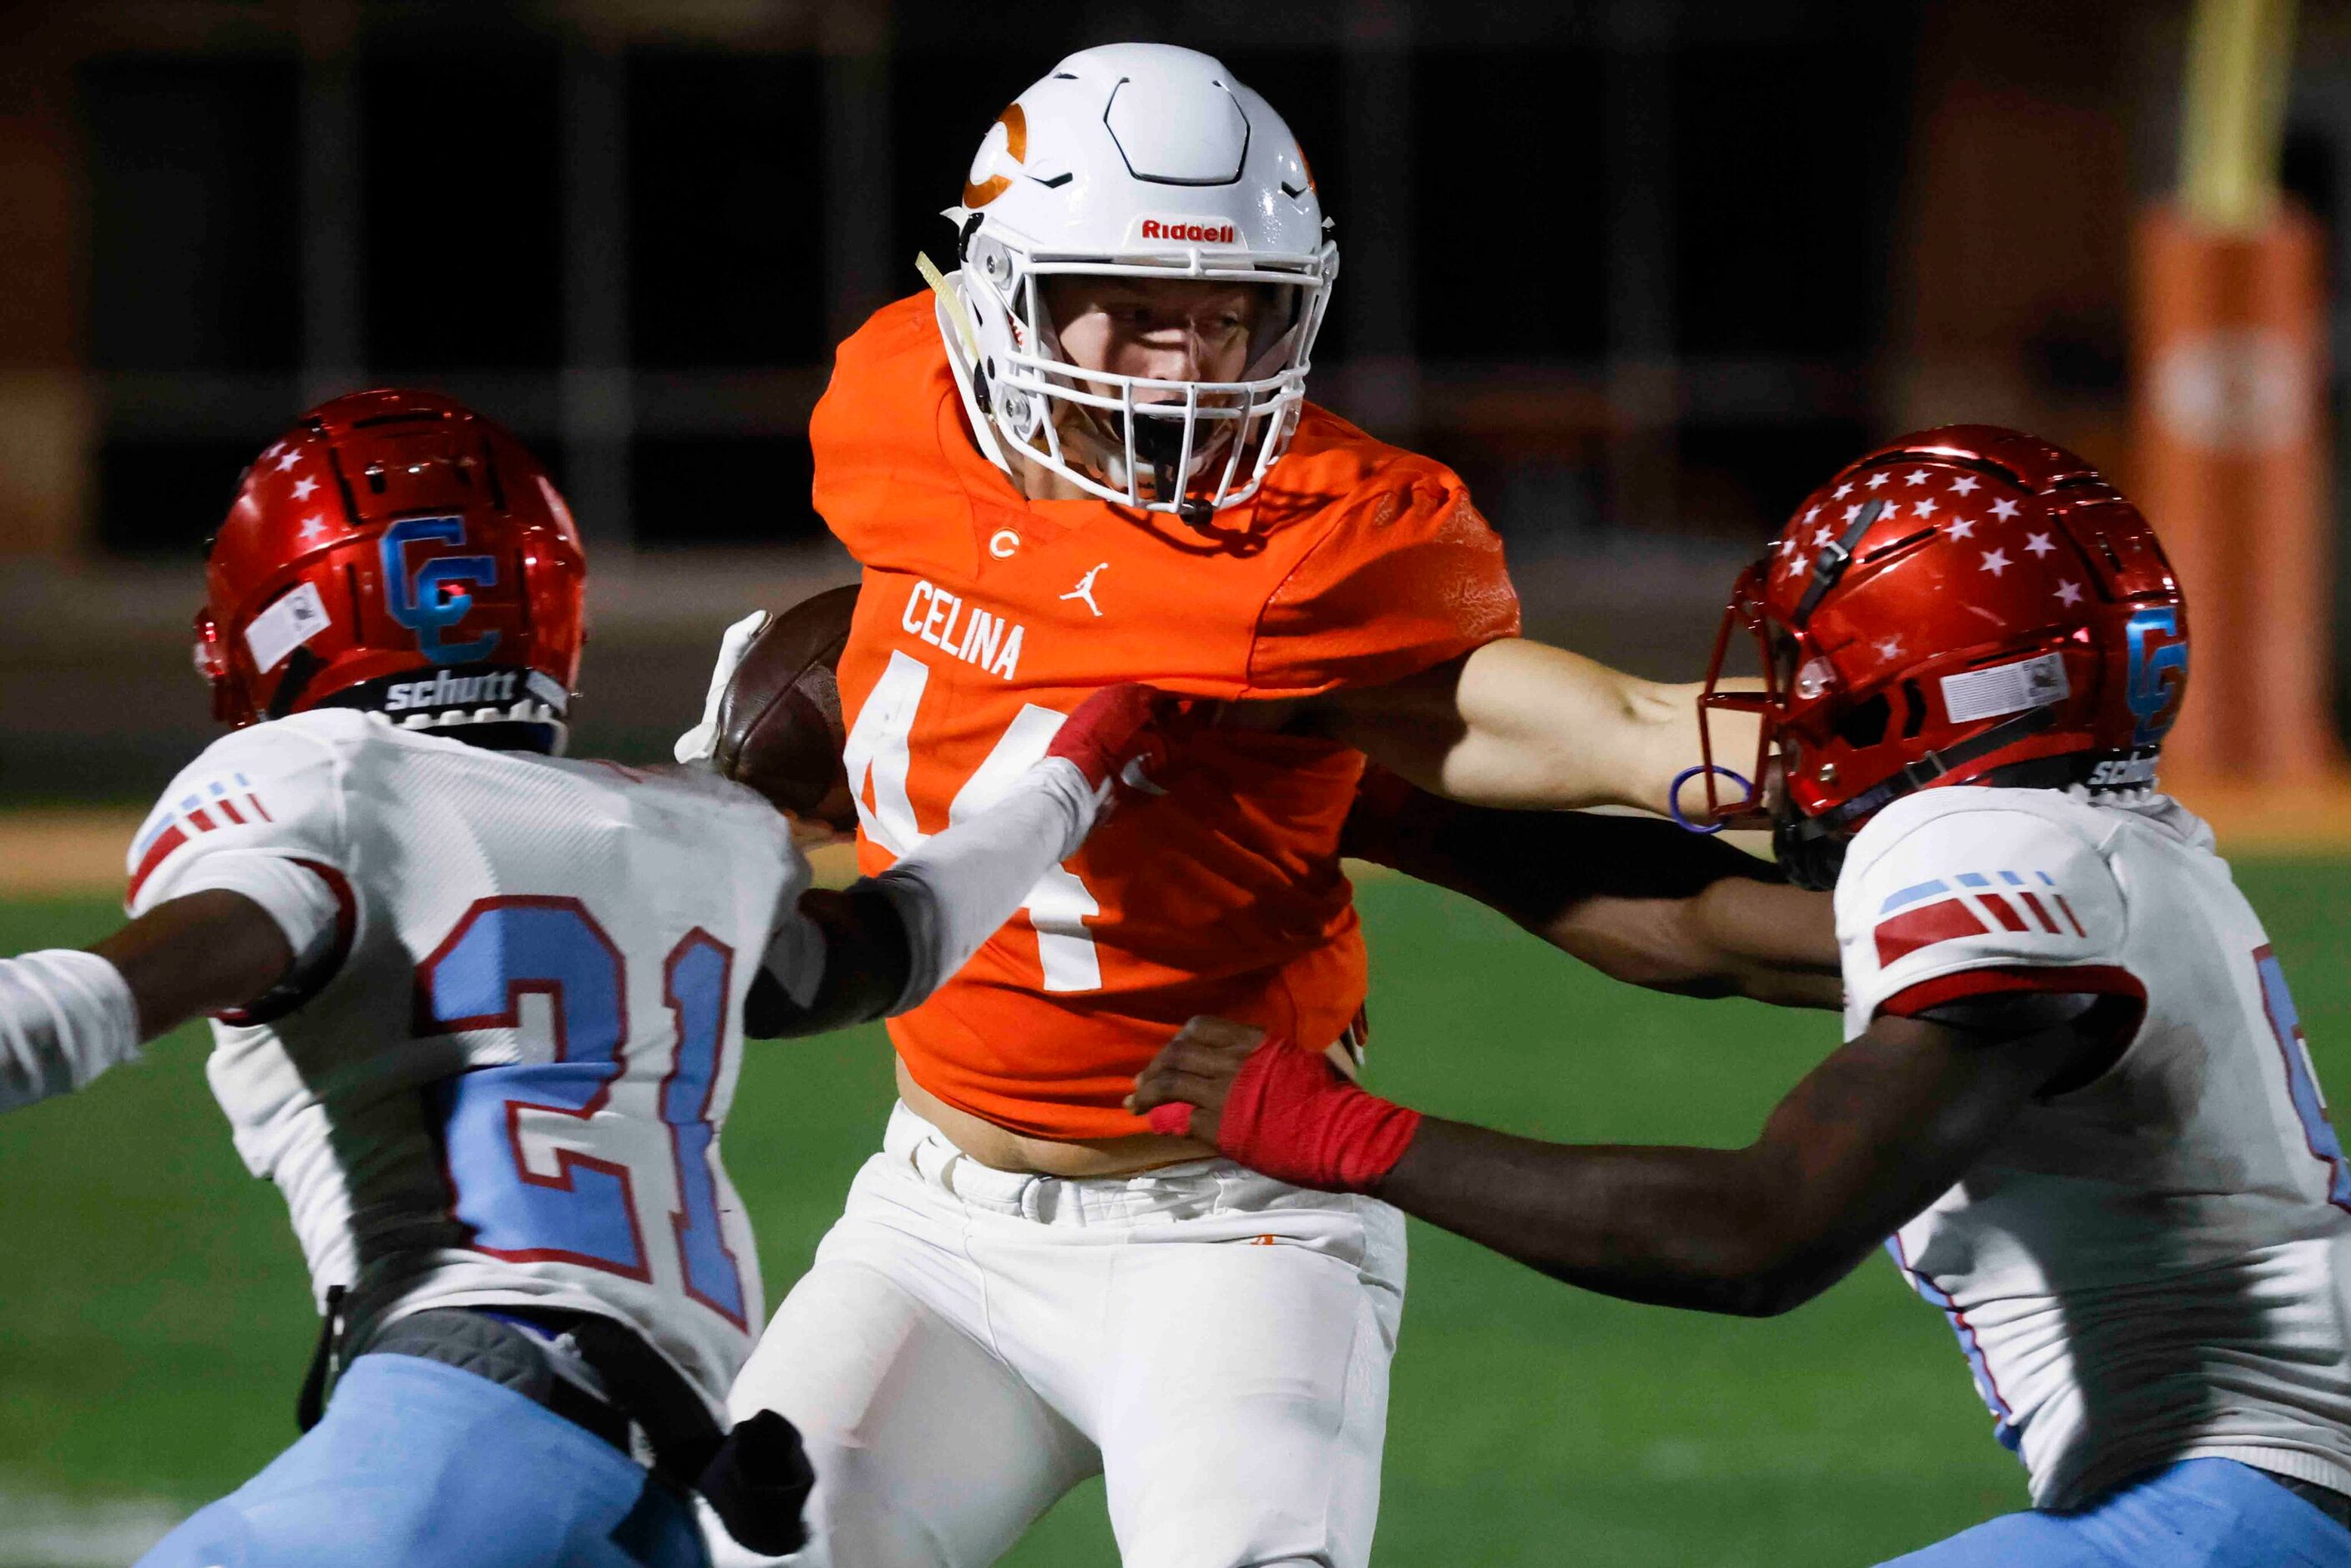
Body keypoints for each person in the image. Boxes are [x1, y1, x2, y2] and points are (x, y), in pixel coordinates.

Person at [684, 38, 1799, 1568]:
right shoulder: (896, 406)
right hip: (931, 1222)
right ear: (995, 290)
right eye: (1133, 311)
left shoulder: (1318, 555)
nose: (1186, 363)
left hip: (1234, 1226)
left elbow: (1609, 731)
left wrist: (1892, 754)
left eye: (1229, 316)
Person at [1133, 425, 2351, 1567]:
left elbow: (1753, 1232)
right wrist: (1379, 805)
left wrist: (1343, 1133)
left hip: (2255, 1503)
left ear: (1932, 685)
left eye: (1821, 659)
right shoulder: (2095, 844)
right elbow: (1709, 932)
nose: (1796, 697)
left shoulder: (2023, 861)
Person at [0, 389, 1175, 1568]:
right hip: (652, 1500)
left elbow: (99, 1002)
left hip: (458, 1433)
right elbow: (893, 942)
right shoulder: (693, 829)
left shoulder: (328, 783)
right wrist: (1071, 778)